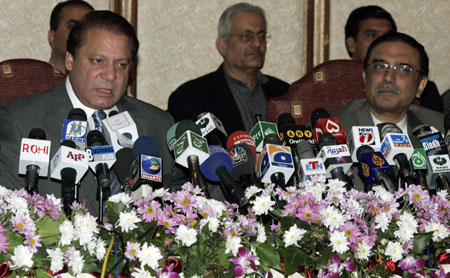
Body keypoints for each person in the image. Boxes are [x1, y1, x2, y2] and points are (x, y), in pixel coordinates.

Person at [0, 10, 186, 217]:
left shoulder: (158, 124)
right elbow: (9, 217)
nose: (110, 75)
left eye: (121, 64)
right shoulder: (18, 123)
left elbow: (178, 207)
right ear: (70, 60)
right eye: (98, 61)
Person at [168, 2, 289, 134]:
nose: (257, 43)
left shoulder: (285, 92)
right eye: (246, 36)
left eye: (261, 36)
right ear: (223, 45)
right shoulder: (191, 98)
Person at [331, 32, 444, 149]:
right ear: (365, 77)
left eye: (403, 69)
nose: (388, 77)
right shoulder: (332, 131)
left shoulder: (441, 130)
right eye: (380, 67)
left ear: (421, 85)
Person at [344, 5, 443, 113]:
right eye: (372, 35)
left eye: (388, 35)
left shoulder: (424, 89)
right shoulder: (331, 85)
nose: (382, 40)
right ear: (351, 44)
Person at [48, 0, 94, 75]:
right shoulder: (33, 82)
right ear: (52, 37)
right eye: (72, 27)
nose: (81, 33)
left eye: (87, 28)